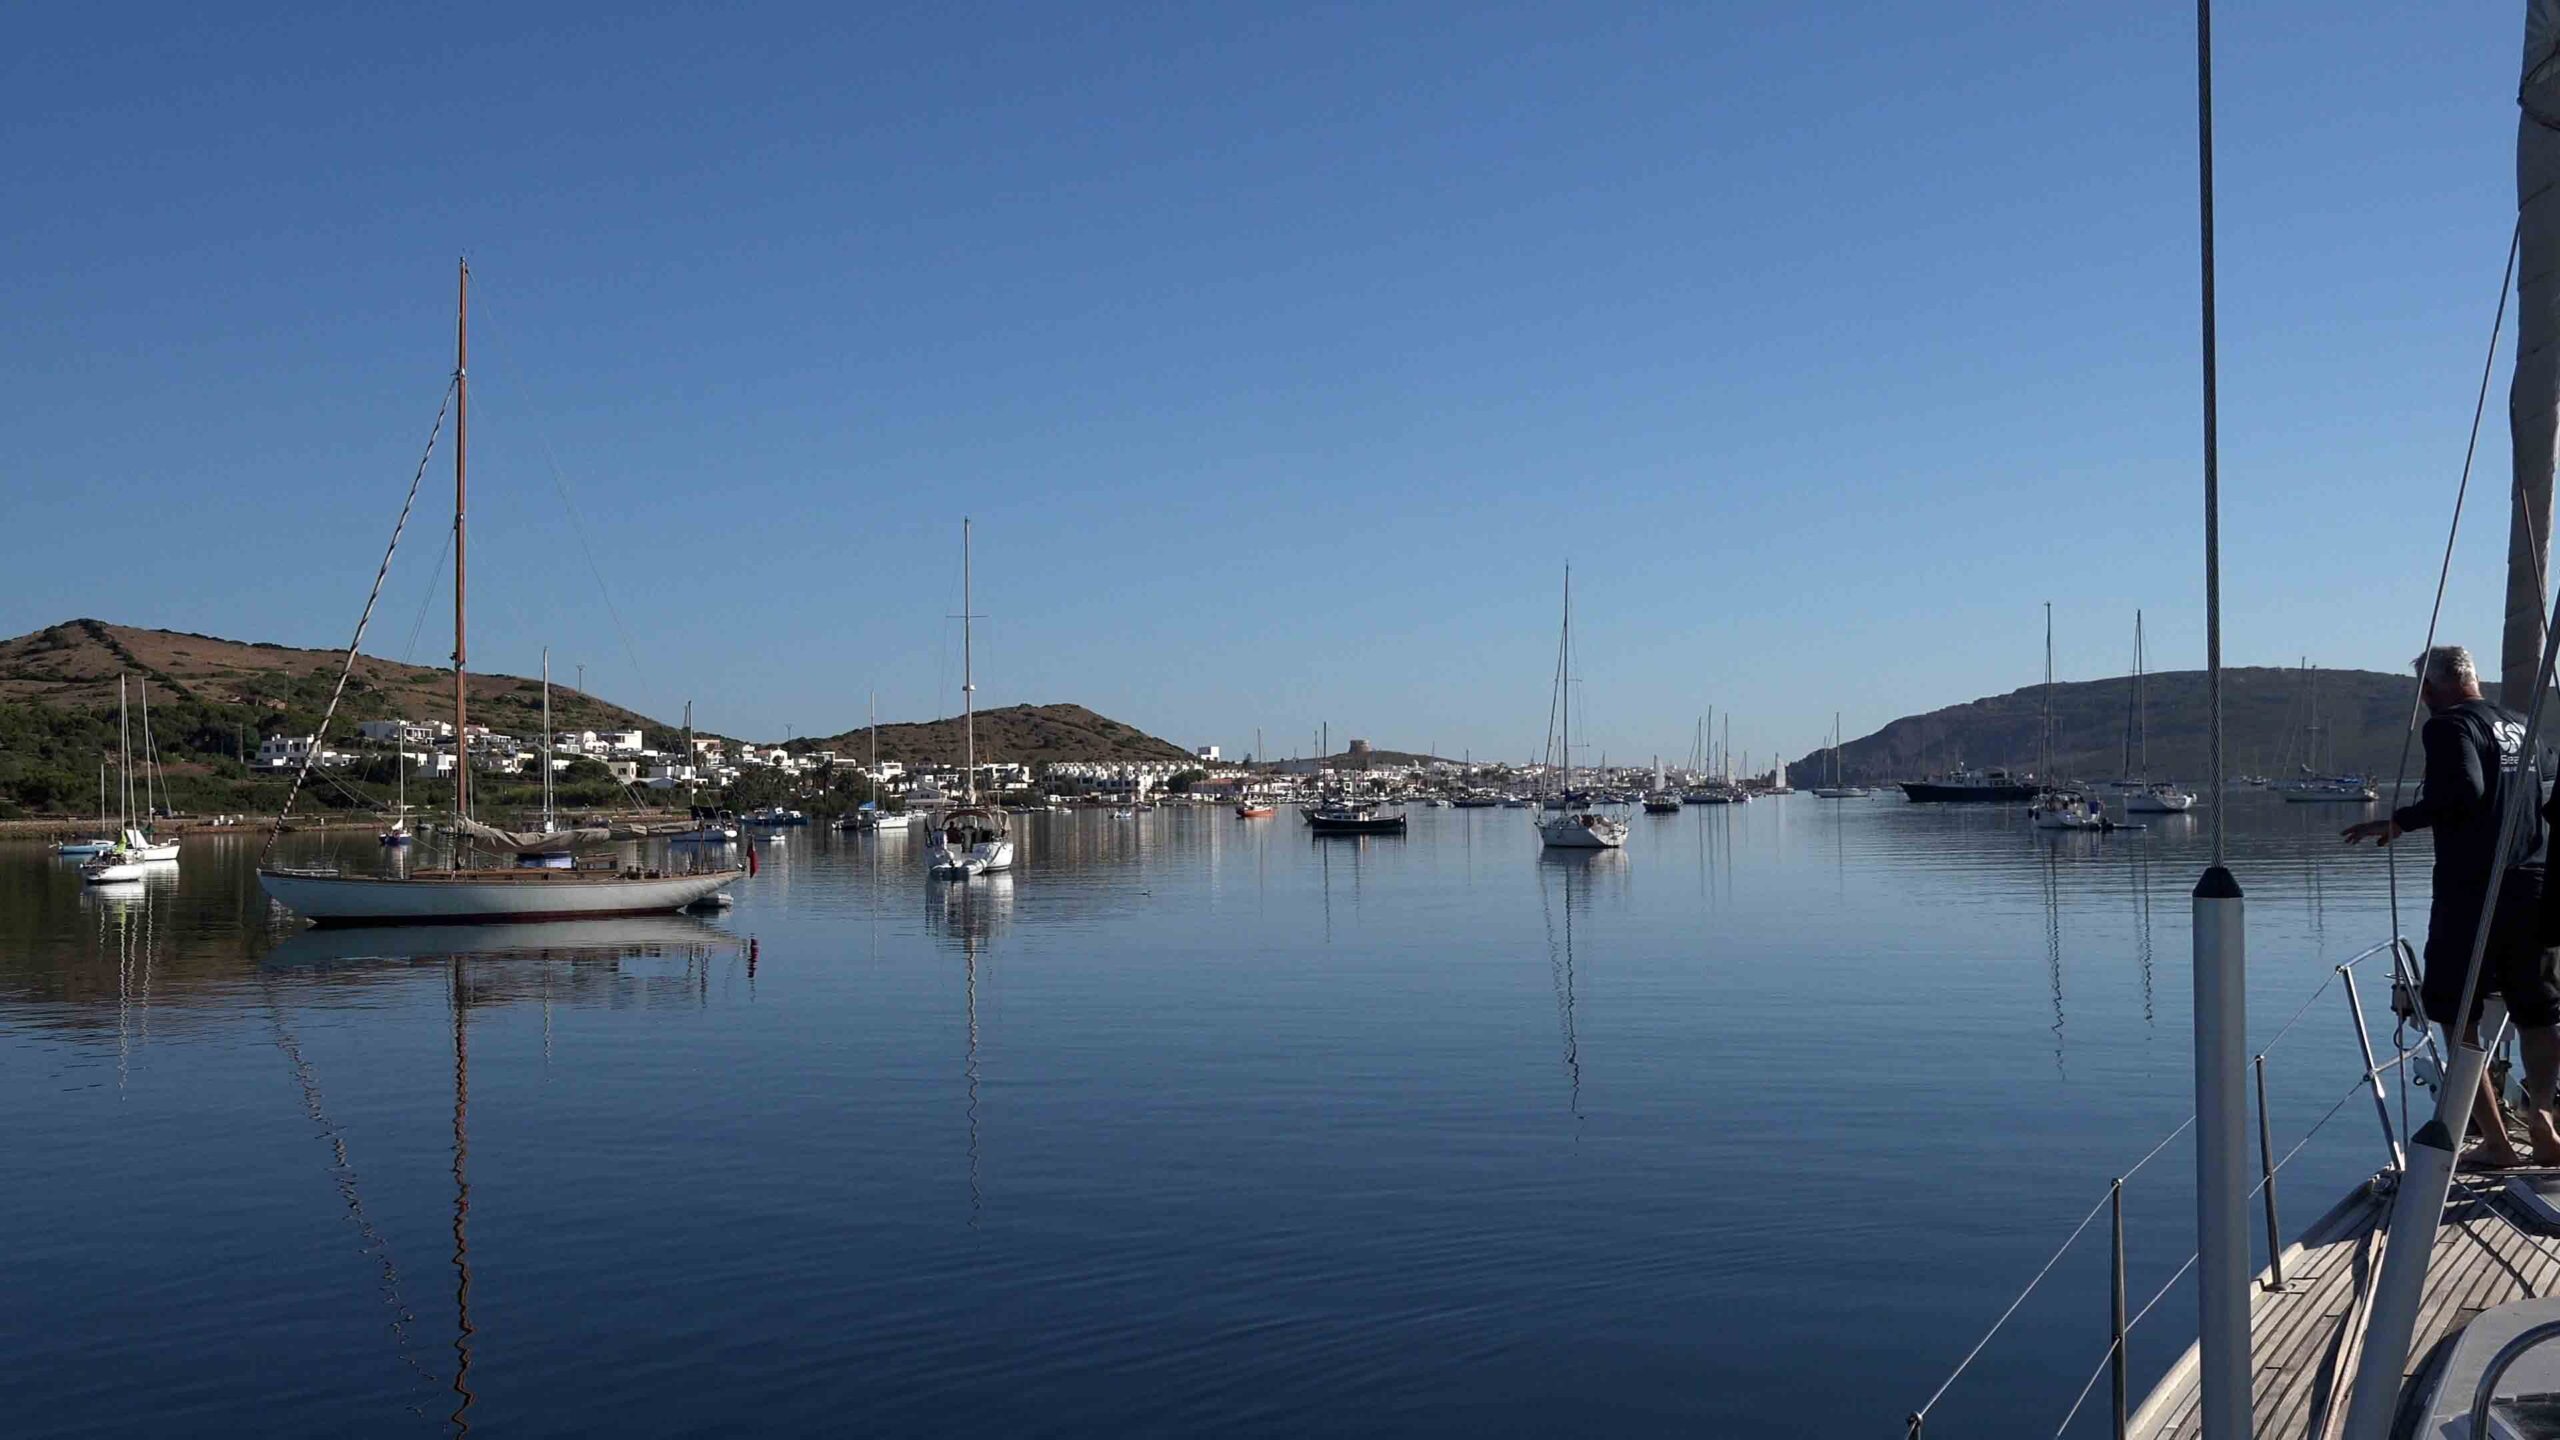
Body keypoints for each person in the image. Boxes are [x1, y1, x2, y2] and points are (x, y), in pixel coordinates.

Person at [2344, 644, 2559, 1168]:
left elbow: (2465, 788)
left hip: (2473, 892)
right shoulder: (2519, 725)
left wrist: (2401, 820)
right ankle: (2545, 1122)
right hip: (2533, 885)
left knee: (2455, 1012)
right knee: (2539, 1010)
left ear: (2430, 689)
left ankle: (2495, 1143)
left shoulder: (2447, 727)